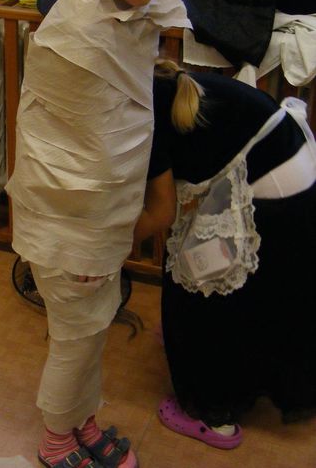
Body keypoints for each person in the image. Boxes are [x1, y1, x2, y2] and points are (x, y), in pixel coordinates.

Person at [5, 0, 191, 468]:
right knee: (76, 337)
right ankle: (56, 441)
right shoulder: (76, 34)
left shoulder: (123, 8)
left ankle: (81, 423)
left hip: (100, 220)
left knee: (93, 329)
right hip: (72, 222)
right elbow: (70, 156)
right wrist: (87, 238)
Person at [135, 59, 316, 449]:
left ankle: (211, 412)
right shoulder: (163, 83)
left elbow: (161, 213)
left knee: (197, 287)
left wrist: (107, 249)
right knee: (247, 290)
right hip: (292, 166)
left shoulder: (142, 114)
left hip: (272, 187)